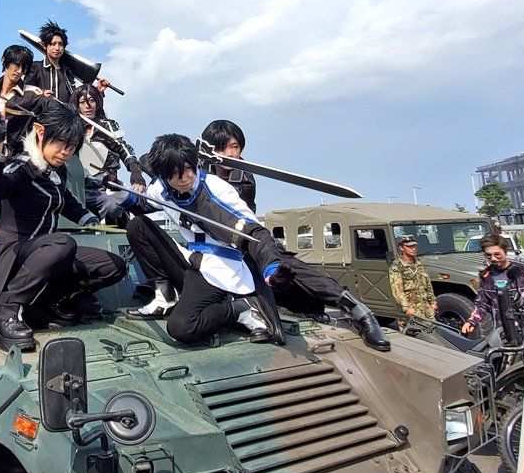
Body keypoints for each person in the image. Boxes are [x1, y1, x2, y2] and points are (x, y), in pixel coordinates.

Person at [105, 133, 389, 350]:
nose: (185, 178)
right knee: (138, 226)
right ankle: (165, 296)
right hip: (191, 261)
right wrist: (114, 192)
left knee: (182, 328)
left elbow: (255, 234)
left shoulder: (217, 191)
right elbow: (142, 203)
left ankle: (241, 308)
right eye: (177, 174)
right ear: (165, 175)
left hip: (223, 267)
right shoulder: (162, 188)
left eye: (189, 169)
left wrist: (271, 268)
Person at [0, 99, 126, 386]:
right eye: (60, 143)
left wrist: (89, 217)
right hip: (14, 253)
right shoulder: (22, 167)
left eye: (72, 146)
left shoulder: (57, 169)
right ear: (40, 132)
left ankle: (55, 301)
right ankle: (8, 310)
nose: (66, 151)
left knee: (114, 265)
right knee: (62, 243)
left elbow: (65, 200)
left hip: (47, 255)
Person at [71, 84, 146, 216]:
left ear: (98, 102)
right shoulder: (71, 127)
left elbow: (123, 147)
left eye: (92, 100)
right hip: (77, 187)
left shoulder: (107, 125)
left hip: (105, 187)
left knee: (113, 207)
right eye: (82, 102)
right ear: (77, 105)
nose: (88, 106)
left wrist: (135, 170)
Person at [461, 232, 524, 335]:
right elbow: (482, 303)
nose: (493, 258)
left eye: (497, 254)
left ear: (506, 251)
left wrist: (519, 321)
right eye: (488, 255)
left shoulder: (523, 273)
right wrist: (472, 322)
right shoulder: (486, 275)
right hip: (501, 332)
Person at [0, 44, 45, 157]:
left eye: (24, 68)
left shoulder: (32, 94)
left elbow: (53, 108)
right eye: (17, 65)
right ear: (4, 60)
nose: (19, 71)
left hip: (18, 158)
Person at [199, 120, 257, 212]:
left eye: (235, 147)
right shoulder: (200, 170)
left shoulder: (245, 182)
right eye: (221, 148)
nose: (229, 153)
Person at [28, 21, 79, 103]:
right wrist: (41, 93)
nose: (57, 48)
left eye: (60, 44)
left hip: (65, 111)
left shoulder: (67, 72)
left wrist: (98, 91)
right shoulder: (35, 67)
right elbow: (25, 91)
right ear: (44, 45)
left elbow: (75, 98)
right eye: (53, 44)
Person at [389, 234, 437, 319]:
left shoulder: (419, 263)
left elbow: (428, 284)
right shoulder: (397, 266)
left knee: (432, 326)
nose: (413, 249)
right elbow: (397, 290)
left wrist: (433, 302)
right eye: (409, 247)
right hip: (411, 308)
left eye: (414, 246)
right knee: (414, 327)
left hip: (425, 307)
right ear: (401, 248)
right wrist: (406, 307)